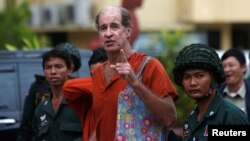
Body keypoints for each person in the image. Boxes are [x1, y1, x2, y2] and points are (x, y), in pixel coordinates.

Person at [91, 6, 177, 140]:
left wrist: (135, 83)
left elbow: (169, 119)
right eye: (103, 28)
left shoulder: (149, 65)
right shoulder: (97, 73)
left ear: (128, 31)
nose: (108, 33)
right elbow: (102, 123)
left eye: (114, 27)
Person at [170, 43, 249, 141]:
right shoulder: (191, 119)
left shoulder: (230, 116)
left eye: (200, 75)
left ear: (213, 79)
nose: (192, 83)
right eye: (187, 77)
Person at [17, 42, 82, 141]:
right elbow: (29, 127)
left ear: (70, 69)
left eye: (58, 66)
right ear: (44, 71)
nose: (53, 72)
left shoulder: (82, 100)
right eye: (48, 67)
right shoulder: (41, 109)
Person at [63, 47, 107, 141]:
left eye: (101, 74)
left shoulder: (123, 95)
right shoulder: (87, 97)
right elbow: (68, 87)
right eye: (94, 75)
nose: (97, 79)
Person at [218, 48, 250, 122]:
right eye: (224, 66)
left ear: (244, 67)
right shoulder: (215, 94)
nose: (226, 70)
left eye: (231, 65)